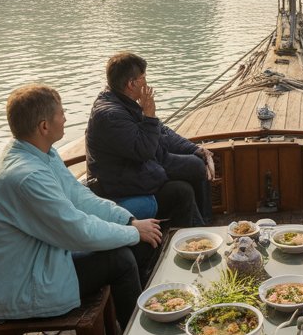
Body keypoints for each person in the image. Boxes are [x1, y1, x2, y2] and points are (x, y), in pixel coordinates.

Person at [0, 84, 162, 330]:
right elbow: (77, 231)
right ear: (44, 126)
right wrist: (134, 233)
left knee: (138, 240)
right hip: (16, 289)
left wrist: (128, 221)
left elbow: (79, 196)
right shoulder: (27, 177)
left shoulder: (40, 153)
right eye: (61, 113)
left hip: (36, 259)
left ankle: (145, 315)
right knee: (120, 259)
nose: (66, 117)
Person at [85, 52, 214, 230]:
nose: (146, 83)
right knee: (182, 189)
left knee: (196, 163)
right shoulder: (110, 115)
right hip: (120, 183)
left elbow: (162, 132)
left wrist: (196, 149)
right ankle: (194, 231)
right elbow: (144, 150)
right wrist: (150, 115)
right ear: (132, 84)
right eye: (143, 78)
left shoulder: (125, 102)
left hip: (139, 169)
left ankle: (203, 226)